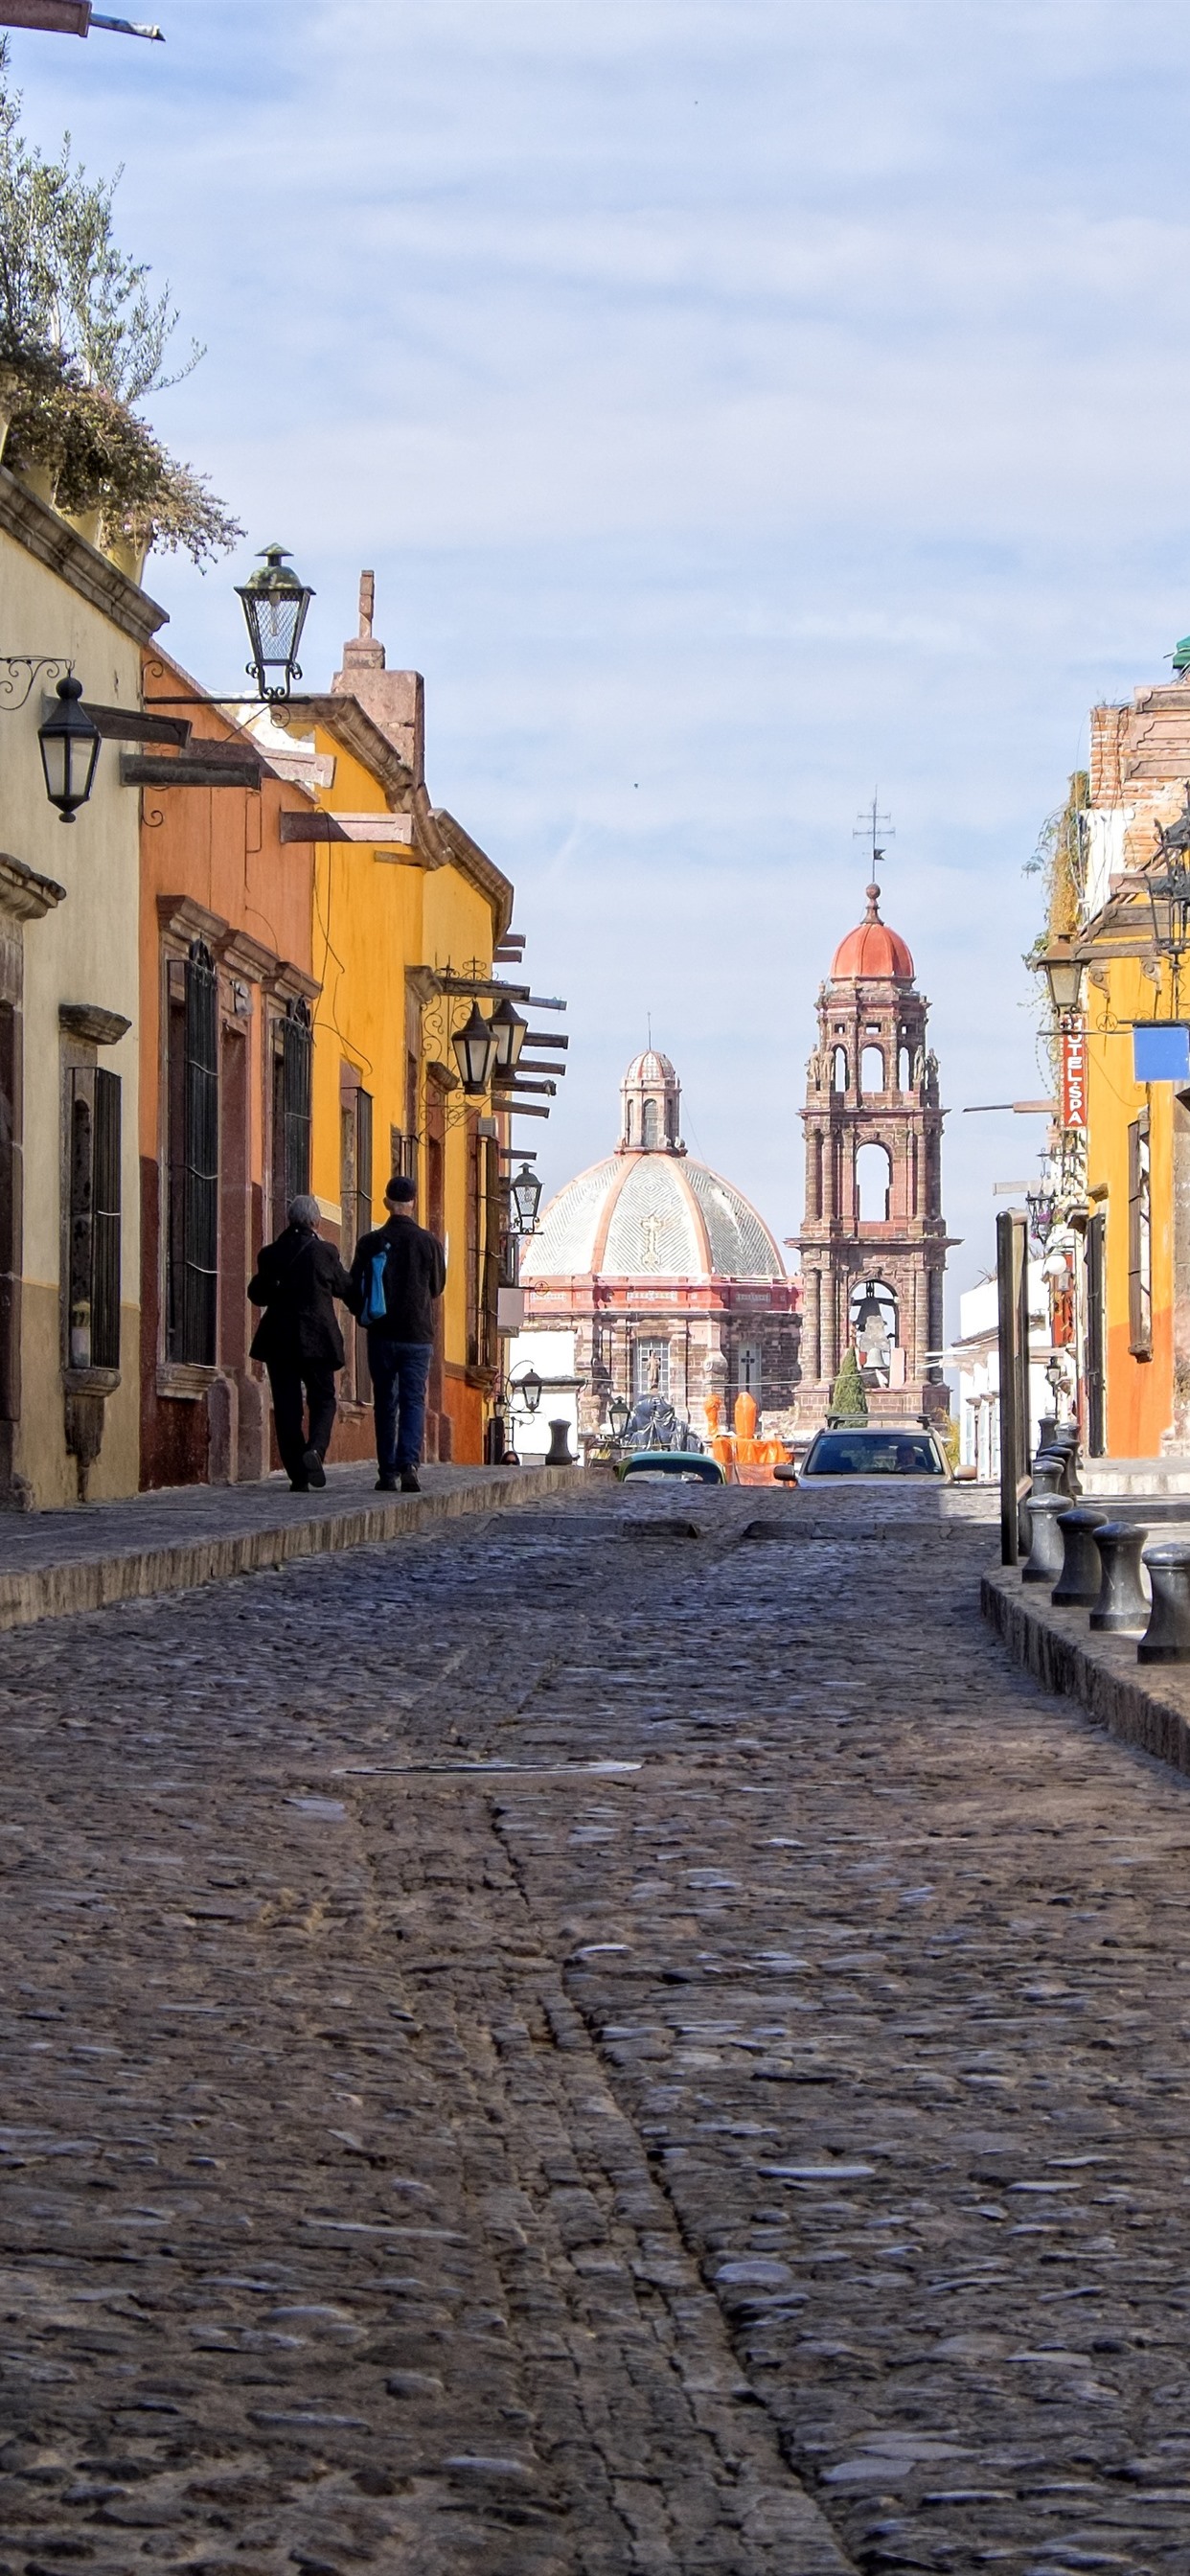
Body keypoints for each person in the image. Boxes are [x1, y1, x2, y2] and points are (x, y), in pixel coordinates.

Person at [248, 1195, 357, 1492]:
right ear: (315, 1222)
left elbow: (258, 1295)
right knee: (323, 1399)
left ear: (289, 1220)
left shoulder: (271, 1254)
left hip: (279, 1339)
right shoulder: (325, 1252)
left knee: (286, 1407)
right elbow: (344, 1286)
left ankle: (298, 1474)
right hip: (318, 1340)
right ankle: (315, 1450)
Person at [350, 1174, 446, 1493]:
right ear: (413, 1202)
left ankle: (387, 1472)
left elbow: (354, 1287)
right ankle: (409, 1464)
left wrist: (364, 1316)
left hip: (381, 1333)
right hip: (417, 1334)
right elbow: (437, 1287)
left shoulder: (370, 1242)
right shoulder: (429, 1242)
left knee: (385, 1401)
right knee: (413, 1400)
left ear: (387, 1203)